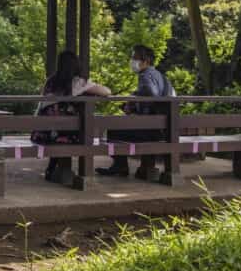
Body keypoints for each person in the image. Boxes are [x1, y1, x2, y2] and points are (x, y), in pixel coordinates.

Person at [96, 44, 176, 179]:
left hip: (153, 131)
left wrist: (133, 103)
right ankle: (147, 166)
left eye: (135, 58)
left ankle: (120, 166)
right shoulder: (160, 75)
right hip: (166, 130)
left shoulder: (145, 76)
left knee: (113, 129)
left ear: (146, 61)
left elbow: (151, 94)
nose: (132, 61)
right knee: (140, 127)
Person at [31, 51, 111, 182]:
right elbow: (107, 91)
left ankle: (51, 169)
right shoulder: (78, 83)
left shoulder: (50, 81)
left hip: (42, 133)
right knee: (79, 130)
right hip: (66, 135)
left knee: (60, 129)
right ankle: (60, 170)